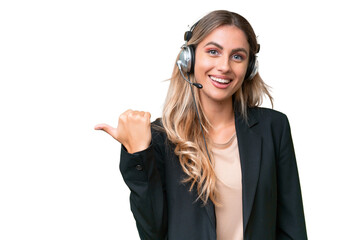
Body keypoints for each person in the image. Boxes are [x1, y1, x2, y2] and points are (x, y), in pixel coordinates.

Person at [95, 10, 307, 240]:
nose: (224, 66)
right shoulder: (160, 137)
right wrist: (138, 153)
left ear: (249, 68)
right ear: (189, 58)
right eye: (213, 52)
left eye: (237, 56)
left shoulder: (273, 128)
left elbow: (292, 227)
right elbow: (152, 233)